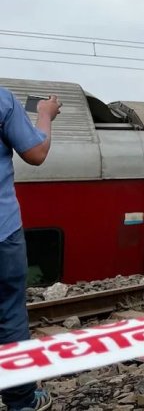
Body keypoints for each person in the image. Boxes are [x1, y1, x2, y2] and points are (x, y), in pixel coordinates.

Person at [1, 88, 60, 411]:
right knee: (9, 315)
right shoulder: (3, 101)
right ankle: (21, 401)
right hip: (2, 232)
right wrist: (45, 114)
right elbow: (36, 153)